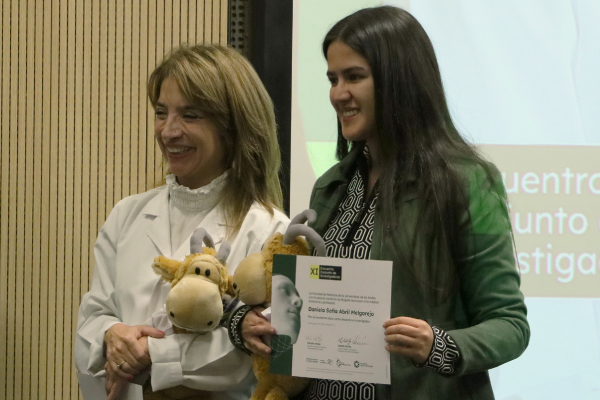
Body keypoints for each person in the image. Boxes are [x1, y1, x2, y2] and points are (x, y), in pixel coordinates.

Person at [232, 6, 529, 400]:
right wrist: (248, 323)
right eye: (333, 79)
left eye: (354, 77)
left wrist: (438, 345)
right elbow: (306, 311)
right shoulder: (330, 186)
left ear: (399, 80)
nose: (338, 94)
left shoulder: (469, 182)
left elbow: (509, 325)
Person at [74, 44, 289, 400]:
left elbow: (263, 345)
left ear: (233, 126)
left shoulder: (269, 230)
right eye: (161, 113)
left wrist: (155, 356)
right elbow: (92, 319)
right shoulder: (127, 214)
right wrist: (110, 337)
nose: (168, 131)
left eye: (190, 115)